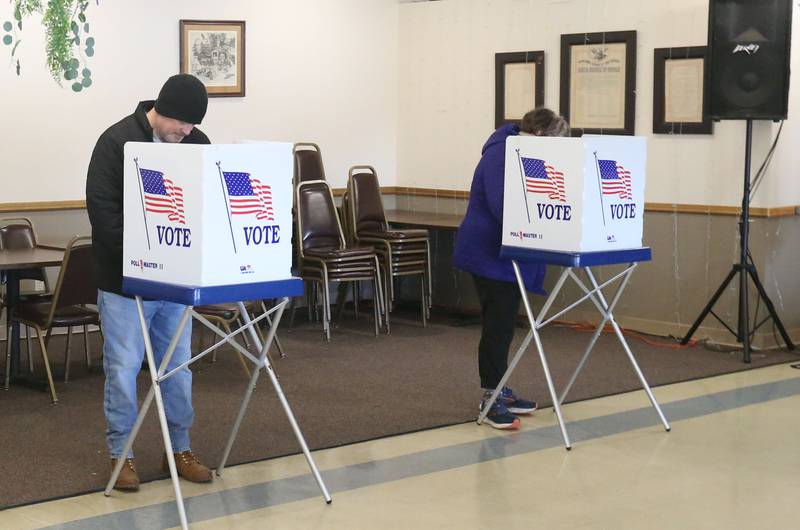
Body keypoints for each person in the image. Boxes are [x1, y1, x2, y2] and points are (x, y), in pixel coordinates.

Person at [86, 74, 213, 491]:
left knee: (179, 371)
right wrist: (147, 253)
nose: (188, 131)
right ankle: (121, 456)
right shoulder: (116, 141)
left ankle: (180, 449)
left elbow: (205, 207)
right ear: (162, 110)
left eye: (193, 125)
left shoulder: (196, 145)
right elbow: (103, 214)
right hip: (125, 284)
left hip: (176, 285)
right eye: (183, 123)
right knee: (122, 371)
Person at [453, 108, 570, 430]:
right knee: (498, 325)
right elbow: (505, 205)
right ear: (540, 137)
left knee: (504, 323)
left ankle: (500, 389)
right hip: (489, 251)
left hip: (508, 251)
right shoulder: (502, 155)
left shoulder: (521, 151)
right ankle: (490, 399)